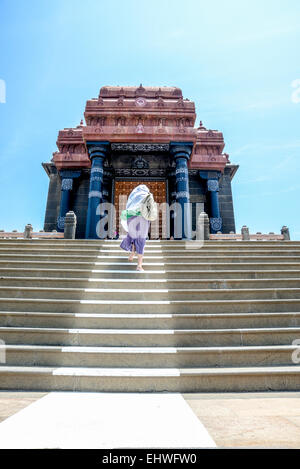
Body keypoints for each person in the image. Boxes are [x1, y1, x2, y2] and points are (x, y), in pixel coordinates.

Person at [120, 184, 154, 272]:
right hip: (143, 218)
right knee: (141, 240)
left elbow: (128, 207)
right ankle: (139, 265)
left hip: (131, 217)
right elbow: (151, 208)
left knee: (133, 236)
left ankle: (132, 252)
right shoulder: (147, 195)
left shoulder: (132, 196)